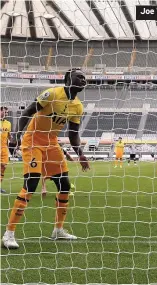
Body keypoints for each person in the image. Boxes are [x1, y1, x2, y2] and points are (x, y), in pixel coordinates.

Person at [2, 68, 90, 249]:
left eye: (84, 78)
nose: (83, 79)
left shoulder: (78, 106)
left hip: (51, 143)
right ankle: (8, 234)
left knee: (64, 185)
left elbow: (73, 134)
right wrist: (18, 135)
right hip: (33, 141)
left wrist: (80, 154)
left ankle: (58, 230)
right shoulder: (52, 94)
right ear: (68, 79)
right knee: (31, 184)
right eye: (79, 76)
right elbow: (27, 112)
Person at [0, 106, 11, 194]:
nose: (6, 114)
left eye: (7, 112)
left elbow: (8, 135)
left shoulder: (8, 123)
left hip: (4, 148)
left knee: (3, 167)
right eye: (5, 112)